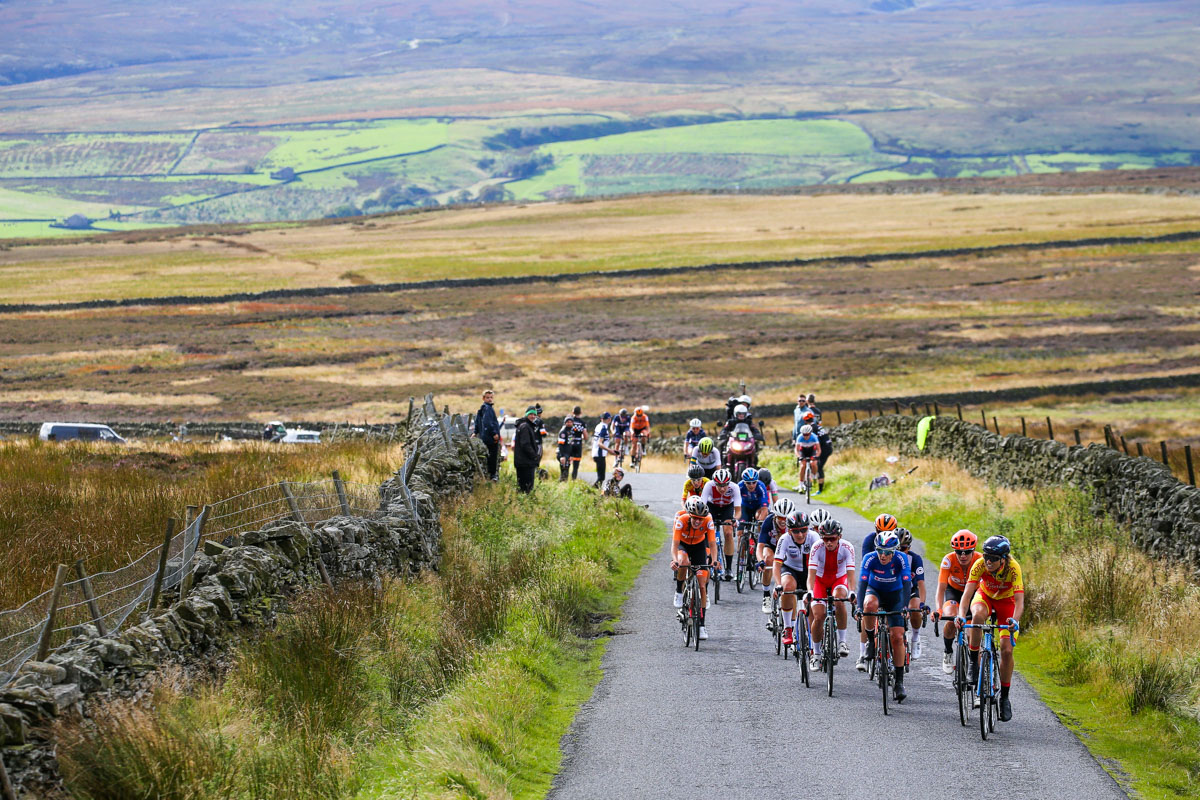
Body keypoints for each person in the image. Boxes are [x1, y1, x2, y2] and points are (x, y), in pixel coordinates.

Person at [958, 535, 1023, 722]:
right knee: (977, 616)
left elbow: (1019, 602)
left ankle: (1004, 697)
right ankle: (973, 662)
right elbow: (967, 593)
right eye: (986, 556)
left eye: (993, 559)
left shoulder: (1013, 568)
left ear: (1003, 559)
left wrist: (1015, 620)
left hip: (1006, 603)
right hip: (985, 597)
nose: (988, 561)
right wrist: (961, 615)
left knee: (1007, 650)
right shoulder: (979, 565)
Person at [857, 531, 912, 702]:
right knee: (869, 605)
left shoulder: (901, 559)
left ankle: (899, 682)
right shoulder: (870, 558)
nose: (883, 555)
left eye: (888, 552)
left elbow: (906, 583)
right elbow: (862, 584)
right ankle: (870, 642)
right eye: (880, 550)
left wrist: (904, 606)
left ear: (894, 551)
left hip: (895, 595)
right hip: (875, 591)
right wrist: (859, 608)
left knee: (897, 637)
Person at [805, 517, 855, 667]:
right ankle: (816, 654)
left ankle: (842, 642)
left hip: (838, 579)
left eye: (832, 539)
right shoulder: (816, 547)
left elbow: (851, 575)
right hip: (820, 580)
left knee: (839, 600)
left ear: (839, 537)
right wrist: (810, 592)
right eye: (825, 539)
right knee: (819, 616)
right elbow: (811, 576)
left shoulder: (847, 547)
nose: (829, 542)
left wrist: (852, 592)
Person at [772, 508, 821, 650]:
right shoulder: (784, 539)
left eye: (803, 530)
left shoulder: (814, 537)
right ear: (789, 531)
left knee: (813, 604)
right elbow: (777, 564)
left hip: (809, 571)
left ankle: (814, 641)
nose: (800, 534)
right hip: (790, 569)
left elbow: (820, 562)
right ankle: (788, 627)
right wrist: (778, 584)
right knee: (787, 587)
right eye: (795, 531)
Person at [672, 496, 719, 640]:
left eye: (700, 519)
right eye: (695, 518)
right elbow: (674, 546)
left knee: (702, 583)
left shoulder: (708, 521)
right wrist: (674, 561)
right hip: (683, 545)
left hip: (699, 546)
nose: (698, 521)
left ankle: (702, 625)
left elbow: (712, 544)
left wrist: (715, 561)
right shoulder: (681, 521)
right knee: (683, 562)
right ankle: (679, 591)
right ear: (690, 515)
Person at [936, 529, 982, 674]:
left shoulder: (980, 560)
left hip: (973, 593)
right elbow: (941, 588)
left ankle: (978, 671)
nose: (963, 555)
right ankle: (948, 651)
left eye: (967, 552)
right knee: (950, 618)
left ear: (973, 550)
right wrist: (939, 610)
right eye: (958, 552)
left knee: (971, 633)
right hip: (954, 591)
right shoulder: (948, 560)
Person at [856, 512, 898, 666]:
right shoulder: (869, 540)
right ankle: (863, 652)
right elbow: (866, 567)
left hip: (891, 580)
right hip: (874, 577)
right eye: (879, 531)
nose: (883, 535)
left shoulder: (896, 541)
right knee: (867, 610)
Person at [757, 498, 801, 612]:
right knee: (768, 559)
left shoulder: (795, 523)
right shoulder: (768, 521)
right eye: (780, 517)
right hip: (771, 546)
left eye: (786, 518)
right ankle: (766, 594)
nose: (783, 521)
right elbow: (760, 546)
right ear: (775, 516)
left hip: (787, 549)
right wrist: (761, 561)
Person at [700, 468, 741, 579]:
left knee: (728, 533)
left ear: (729, 483)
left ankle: (728, 568)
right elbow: (702, 505)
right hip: (712, 507)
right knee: (707, 532)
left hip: (727, 508)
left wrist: (735, 520)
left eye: (725, 485)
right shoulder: (709, 485)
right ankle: (708, 559)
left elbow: (738, 510)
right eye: (719, 485)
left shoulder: (734, 487)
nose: (722, 489)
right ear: (715, 483)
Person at [897, 528, 927, 659]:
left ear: (908, 547)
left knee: (915, 608)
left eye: (903, 549)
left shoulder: (915, 559)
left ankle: (915, 638)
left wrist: (922, 605)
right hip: (893, 589)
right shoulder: (887, 558)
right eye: (896, 549)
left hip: (911, 590)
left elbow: (921, 585)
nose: (900, 552)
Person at [473, 389, 502, 481]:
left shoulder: (481, 409)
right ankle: (492, 476)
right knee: (492, 456)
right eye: (487, 397)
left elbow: (477, 421)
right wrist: (494, 433)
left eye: (491, 397)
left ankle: (488, 475)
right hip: (490, 438)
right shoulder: (488, 409)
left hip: (484, 437)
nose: (490, 399)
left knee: (487, 456)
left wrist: (475, 432)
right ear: (483, 398)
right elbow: (488, 422)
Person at [513, 407, 542, 493]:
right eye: (530, 414)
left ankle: (521, 504)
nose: (533, 416)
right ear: (526, 414)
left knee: (522, 488)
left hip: (524, 462)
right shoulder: (525, 426)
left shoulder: (526, 425)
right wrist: (534, 456)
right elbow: (525, 444)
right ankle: (523, 504)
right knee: (526, 488)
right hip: (525, 463)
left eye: (534, 414)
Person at [556, 407, 588, 482]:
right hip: (576, 445)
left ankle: (564, 481)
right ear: (580, 412)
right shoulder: (582, 423)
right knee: (575, 465)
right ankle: (573, 481)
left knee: (567, 464)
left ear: (573, 412)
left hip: (569, 445)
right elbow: (586, 437)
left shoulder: (568, 420)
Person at [591, 412, 619, 486]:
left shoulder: (599, 426)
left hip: (596, 453)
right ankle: (593, 491)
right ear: (609, 419)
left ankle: (595, 491)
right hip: (599, 454)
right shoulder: (603, 428)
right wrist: (610, 451)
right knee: (601, 478)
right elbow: (600, 443)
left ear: (601, 419)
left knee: (601, 477)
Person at [794, 423, 822, 493]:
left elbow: (819, 450)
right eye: (804, 435)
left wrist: (817, 456)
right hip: (803, 450)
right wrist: (799, 457)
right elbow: (796, 450)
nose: (805, 436)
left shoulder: (814, 437)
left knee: (813, 464)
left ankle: (814, 476)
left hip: (812, 450)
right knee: (803, 466)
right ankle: (801, 484)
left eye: (807, 435)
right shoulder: (800, 437)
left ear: (810, 433)